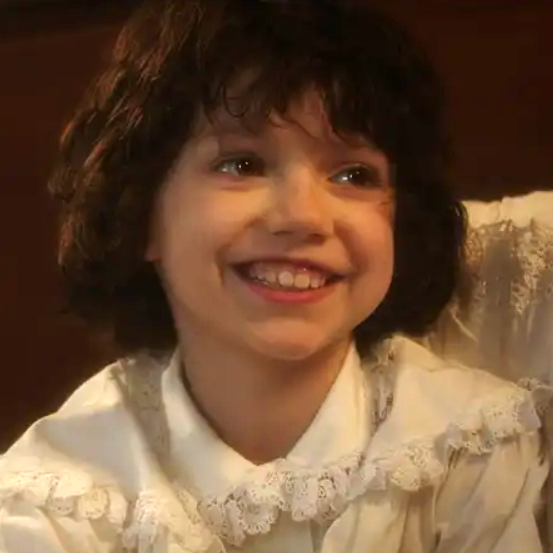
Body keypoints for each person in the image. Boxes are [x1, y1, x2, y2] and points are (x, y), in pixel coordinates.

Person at [0, 1, 550, 552]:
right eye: (243, 165)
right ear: (140, 212)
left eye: (354, 175)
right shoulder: (61, 490)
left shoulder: (468, 445)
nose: (304, 216)